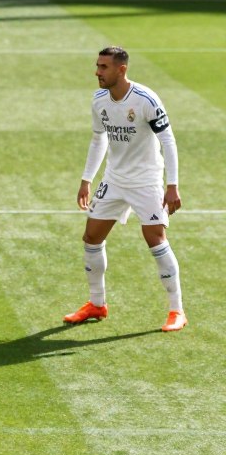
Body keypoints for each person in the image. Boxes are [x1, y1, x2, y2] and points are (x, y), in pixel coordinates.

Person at [63, 47, 186, 333]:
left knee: (155, 239)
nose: (97, 72)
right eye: (97, 66)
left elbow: (168, 141)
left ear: (121, 69)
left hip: (146, 181)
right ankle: (97, 304)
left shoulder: (145, 100)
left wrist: (172, 185)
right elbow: (98, 139)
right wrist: (86, 179)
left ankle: (177, 309)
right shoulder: (99, 100)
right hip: (114, 179)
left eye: (103, 67)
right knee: (91, 237)